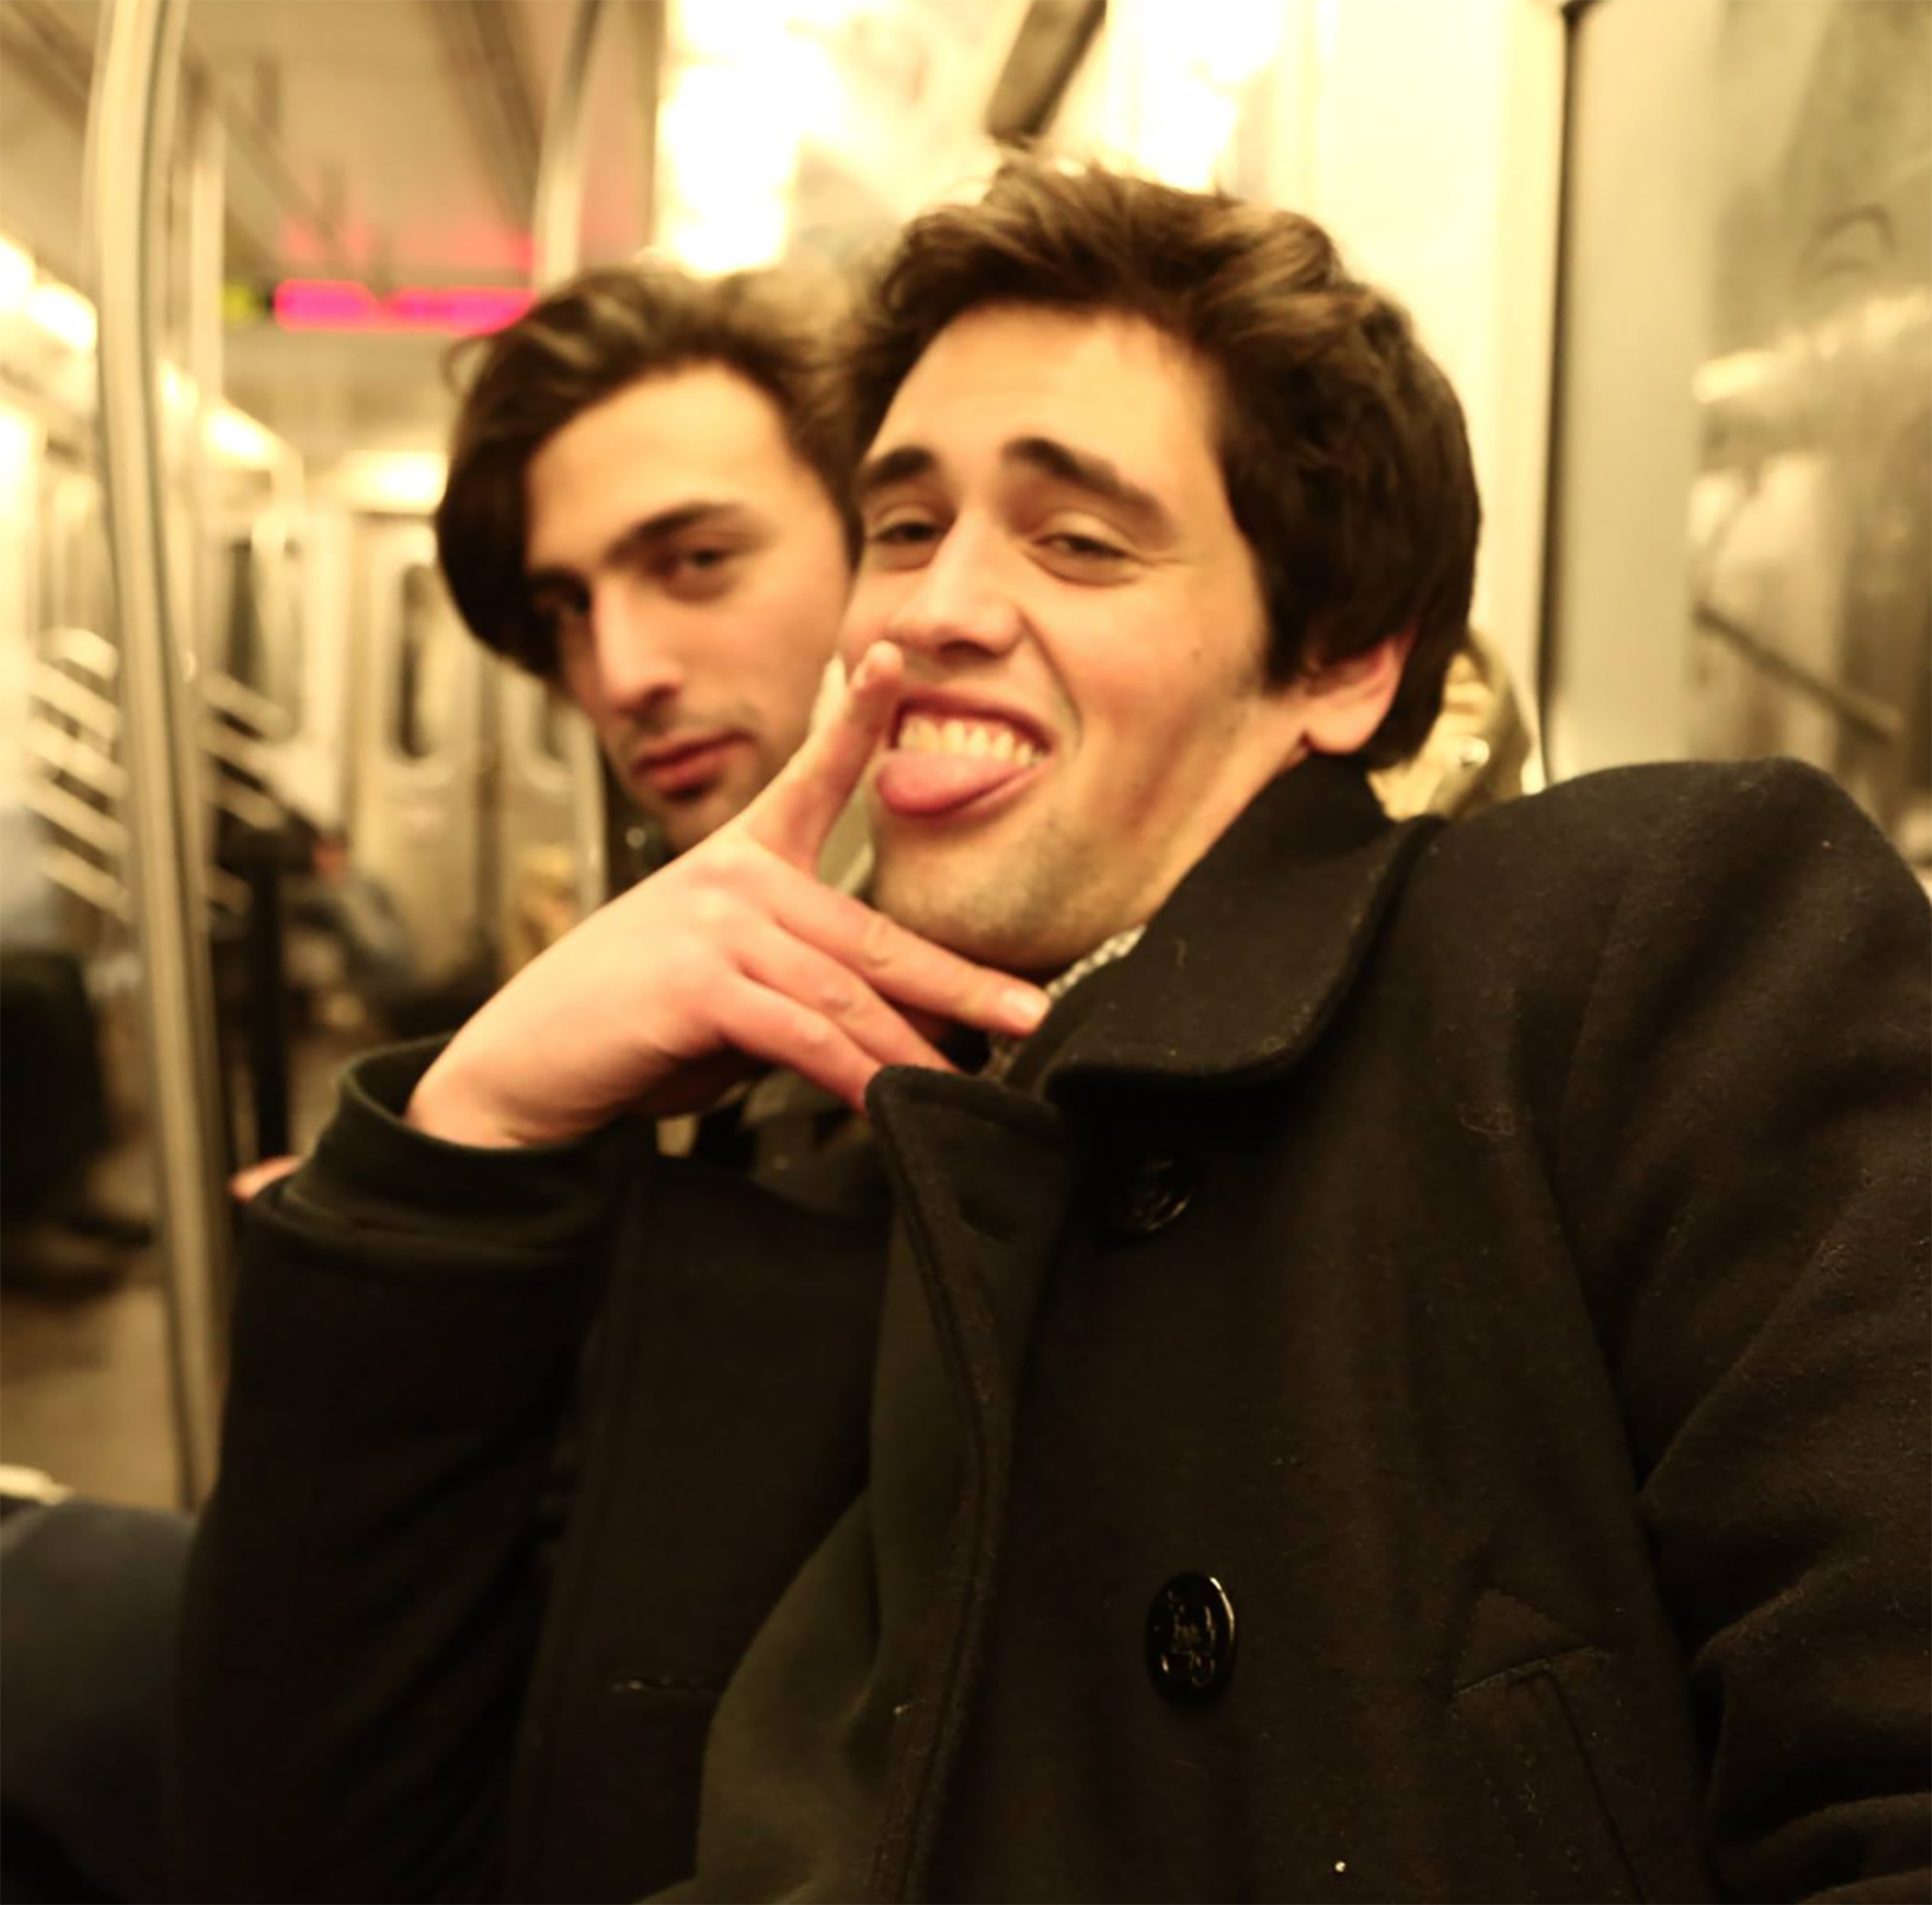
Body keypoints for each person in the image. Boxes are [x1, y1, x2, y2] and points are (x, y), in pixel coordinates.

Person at [177, 157, 1929, 1903]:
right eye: (905, 527)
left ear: (1335, 658)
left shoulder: (1619, 947)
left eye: (1080, 539)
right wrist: (462, 1138)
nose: (931, 609)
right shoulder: (797, 1144)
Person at [0, 260, 883, 1905]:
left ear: (884, 542)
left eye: (695, 562)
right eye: (562, 613)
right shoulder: (697, 978)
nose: (619, 670)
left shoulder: (938, 1018)